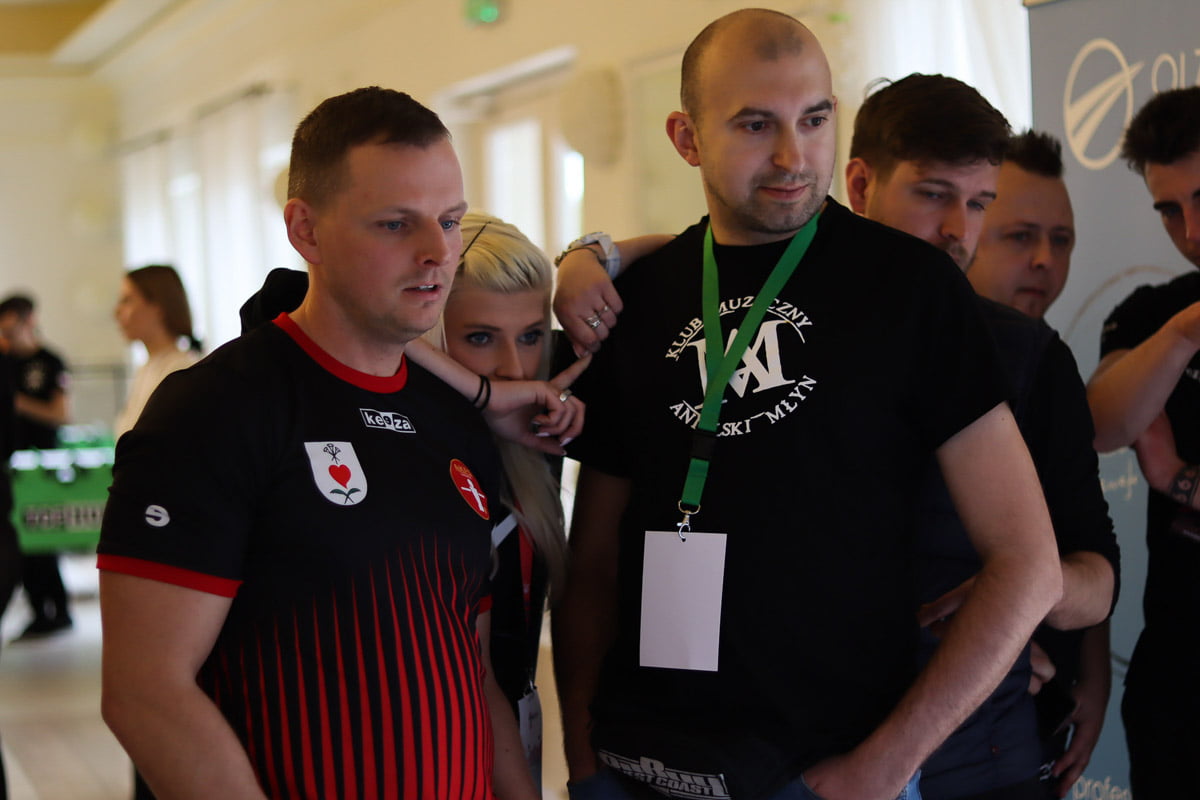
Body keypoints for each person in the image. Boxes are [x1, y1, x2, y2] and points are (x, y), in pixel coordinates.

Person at [553, 11, 1061, 800]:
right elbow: (593, 567)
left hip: (830, 770)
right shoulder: (638, 299)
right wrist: (584, 762)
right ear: (687, 138)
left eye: (815, 120)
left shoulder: (908, 287)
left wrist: (883, 766)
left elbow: (1027, 564)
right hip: (645, 763)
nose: (794, 157)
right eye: (756, 125)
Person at [97, 86, 553, 799]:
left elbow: (472, 668)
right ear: (305, 231)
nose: (438, 253)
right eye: (396, 224)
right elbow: (145, 692)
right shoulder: (215, 408)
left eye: (449, 220)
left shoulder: (454, 421)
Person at [845, 87, 1117, 800]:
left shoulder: (1029, 357)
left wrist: (1020, 598)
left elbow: (1097, 571)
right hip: (803, 745)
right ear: (860, 186)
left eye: (978, 204)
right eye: (933, 195)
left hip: (982, 764)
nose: (956, 229)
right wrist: (600, 258)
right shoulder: (784, 332)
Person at [967, 130, 1114, 799]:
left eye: (1062, 239)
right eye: (1021, 236)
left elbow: (1082, 537)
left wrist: (1093, 672)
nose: (1045, 260)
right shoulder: (904, 352)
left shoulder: (1048, 363)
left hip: (1032, 738)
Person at [1085, 85, 1200, 798]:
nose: (1191, 231)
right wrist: (1185, 332)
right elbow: (1102, 424)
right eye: (1169, 209)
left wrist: (1181, 479)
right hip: (1179, 686)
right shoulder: (1152, 314)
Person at [0, 294, 72, 640]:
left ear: (29, 322)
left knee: (44, 539)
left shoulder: (50, 361)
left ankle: (57, 608)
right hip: (12, 464)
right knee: (22, 541)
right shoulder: (6, 362)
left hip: (44, 464)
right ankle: (38, 609)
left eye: (12, 329)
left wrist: (16, 402)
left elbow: (60, 414)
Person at [113, 265, 203, 438]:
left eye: (127, 300)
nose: (117, 312)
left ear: (158, 307)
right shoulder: (147, 368)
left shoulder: (179, 370)